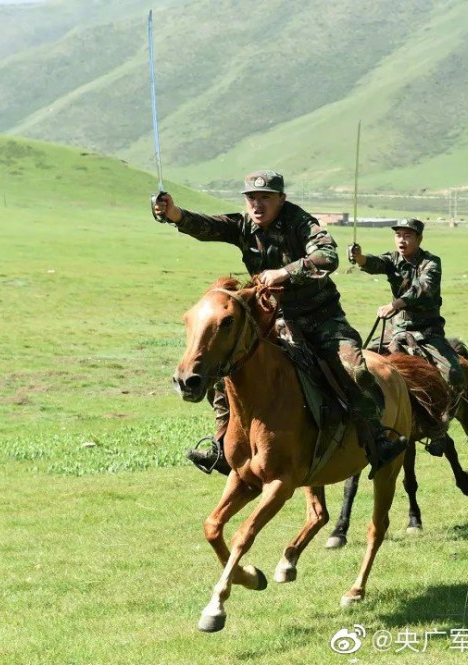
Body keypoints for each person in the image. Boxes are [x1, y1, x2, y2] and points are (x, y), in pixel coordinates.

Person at [151, 170, 407, 476]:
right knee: (223, 367)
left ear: (281, 199)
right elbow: (207, 226)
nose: (257, 205)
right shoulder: (245, 224)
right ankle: (222, 445)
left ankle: (376, 438)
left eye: (265, 198)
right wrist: (174, 213)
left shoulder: (301, 223)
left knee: (355, 370)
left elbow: (328, 256)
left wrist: (284, 272)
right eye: (251, 198)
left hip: (320, 318)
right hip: (272, 320)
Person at [349, 218, 465, 401]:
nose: (401, 240)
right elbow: (375, 263)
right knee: (363, 364)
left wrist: (394, 305)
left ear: (419, 239)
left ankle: (445, 416)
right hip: (395, 329)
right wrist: (359, 258)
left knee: (453, 374)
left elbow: (422, 288)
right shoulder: (392, 259)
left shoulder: (431, 262)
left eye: (407, 236)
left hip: (427, 331)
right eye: (398, 235)